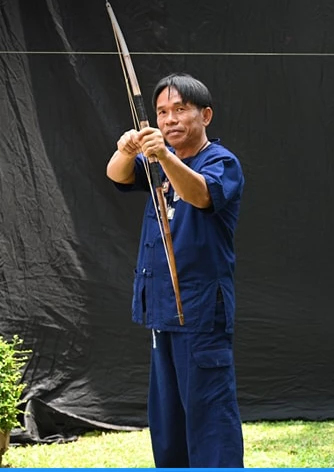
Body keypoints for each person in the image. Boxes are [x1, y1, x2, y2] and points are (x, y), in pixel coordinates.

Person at [106, 73, 245, 468]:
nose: (169, 120)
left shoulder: (221, 161)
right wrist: (126, 148)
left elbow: (201, 193)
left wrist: (164, 156)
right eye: (162, 112)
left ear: (205, 115)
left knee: (209, 414)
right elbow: (117, 173)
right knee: (167, 420)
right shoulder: (154, 161)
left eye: (180, 110)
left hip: (201, 309)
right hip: (162, 309)